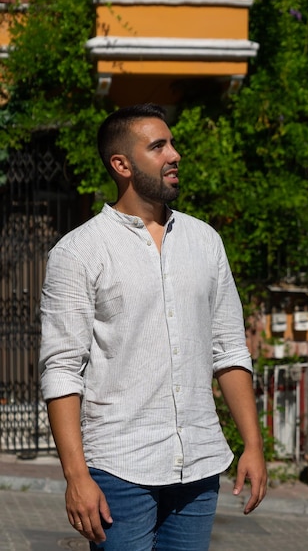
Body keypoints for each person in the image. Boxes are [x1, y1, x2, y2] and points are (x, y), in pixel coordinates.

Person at [39, 103, 267, 551]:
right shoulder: (79, 251)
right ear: (121, 164)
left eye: (172, 143)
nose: (174, 154)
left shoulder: (205, 241)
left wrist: (253, 444)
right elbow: (62, 368)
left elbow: (229, 350)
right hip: (119, 469)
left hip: (199, 467)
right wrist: (76, 476)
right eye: (158, 146)